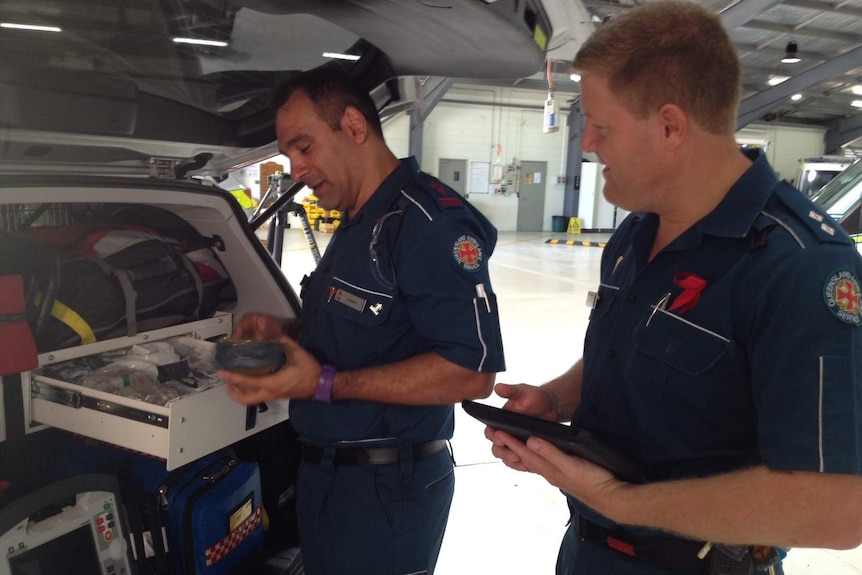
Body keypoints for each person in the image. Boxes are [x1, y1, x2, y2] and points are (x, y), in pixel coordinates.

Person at [483, 2, 862, 574]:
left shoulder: (800, 266)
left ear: (669, 126)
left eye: (602, 126)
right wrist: (558, 400)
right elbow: (635, 350)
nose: (587, 143)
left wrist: (621, 501)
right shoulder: (637, 233)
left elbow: (837, 510)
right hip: (586, 551)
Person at [220, 67, 505, 575]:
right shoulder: (359, 222)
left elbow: (472, 371)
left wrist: (326, 383)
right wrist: (284, 333)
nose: (298, 168)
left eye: (304, 147)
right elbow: (360, 334)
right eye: (289, 155)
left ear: (354, 125)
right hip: (328, 478)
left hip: (386, 488)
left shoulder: (427, 223)